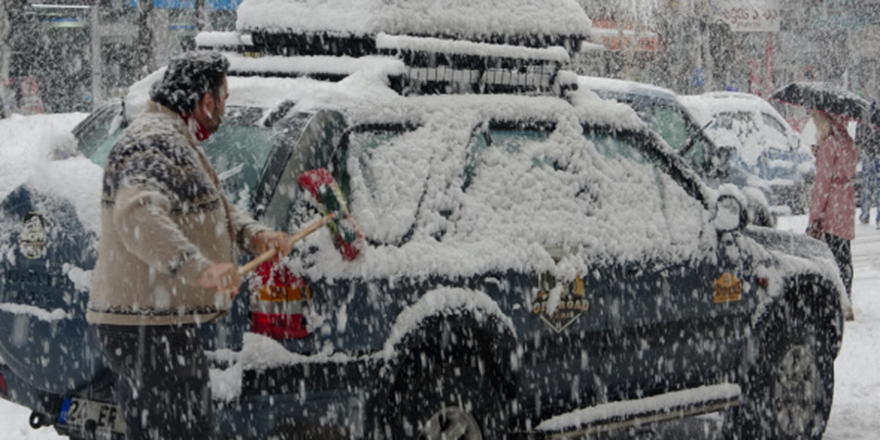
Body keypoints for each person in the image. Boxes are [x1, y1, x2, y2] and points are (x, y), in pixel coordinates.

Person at [86, 51, 293, 440]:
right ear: (206, 101)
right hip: (147, 326)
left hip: (153, 324)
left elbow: (211, 209)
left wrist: (256, 236)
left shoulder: (171, 137)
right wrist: (198, 267)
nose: (224, 111)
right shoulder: (154, 141)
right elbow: (136, 215)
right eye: (224, 100)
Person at [806, 110, 858, 321]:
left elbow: (822, 185)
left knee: (829, 257)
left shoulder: (829, 144)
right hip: (846, 201)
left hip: (833, 204)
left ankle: (836, 300)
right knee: (844, 253)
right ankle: (846, 298)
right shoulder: (847, 141)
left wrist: (814, 216)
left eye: (817, 122)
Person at [855, 109, 880, 227]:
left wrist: (862, 145)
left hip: (869, 154)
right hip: (877, 153)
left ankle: (865, 214)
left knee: (867, 186)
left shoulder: (865, 111)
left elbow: (859, 135)